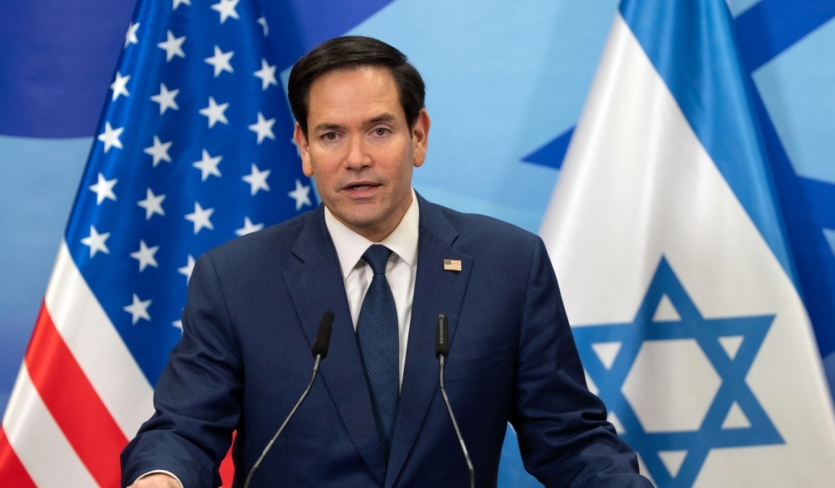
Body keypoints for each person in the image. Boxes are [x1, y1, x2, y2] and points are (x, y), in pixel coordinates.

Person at [121, 35, 651, 488]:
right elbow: (185, 428)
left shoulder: (507, 264)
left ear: (417, 136)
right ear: (303, 148)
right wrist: (162, 477)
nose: (357, 158)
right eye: (331, 135)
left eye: (379, 130)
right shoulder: (236, 278)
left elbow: (568, 436)